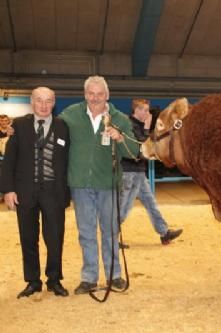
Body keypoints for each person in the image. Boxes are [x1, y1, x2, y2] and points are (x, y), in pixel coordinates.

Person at [59, 76, 140, 295]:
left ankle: (114, 275)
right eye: (91, 94)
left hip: (108, 184)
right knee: (86, 232)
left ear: (107, 95)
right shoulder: (70, 115)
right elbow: (52, 134)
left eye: (100, 94)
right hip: (80, 184)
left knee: (110, 231)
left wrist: (121, 138)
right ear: (85, 94)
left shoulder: (120, 119)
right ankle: (89, 278)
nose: (95, 98)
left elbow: (134, 153)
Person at [0, 87, 70, 298]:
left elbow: (68, 159)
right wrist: (8, 190)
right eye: (39, 100)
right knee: (28, 238)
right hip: (25, 192)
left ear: (54, 102)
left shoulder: (63, 127)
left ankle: (54, 279)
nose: (43, 105)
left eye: (48, 101)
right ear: (32, 102)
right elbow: (9, 160)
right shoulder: (19, 126)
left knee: (55, 238)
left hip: (54, 192)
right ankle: (32, 281)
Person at [119, 98, 182, 248]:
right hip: (129, 172)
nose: (147, 113)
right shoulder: (129, 125)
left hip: (139, 172)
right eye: (145, 110)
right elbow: (140, 146)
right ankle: (111, 237)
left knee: (150, 203)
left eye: (148, 110)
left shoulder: (140, 125)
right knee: (124, 207)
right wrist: (147, 129)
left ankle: (164, 232)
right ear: (137, 110)